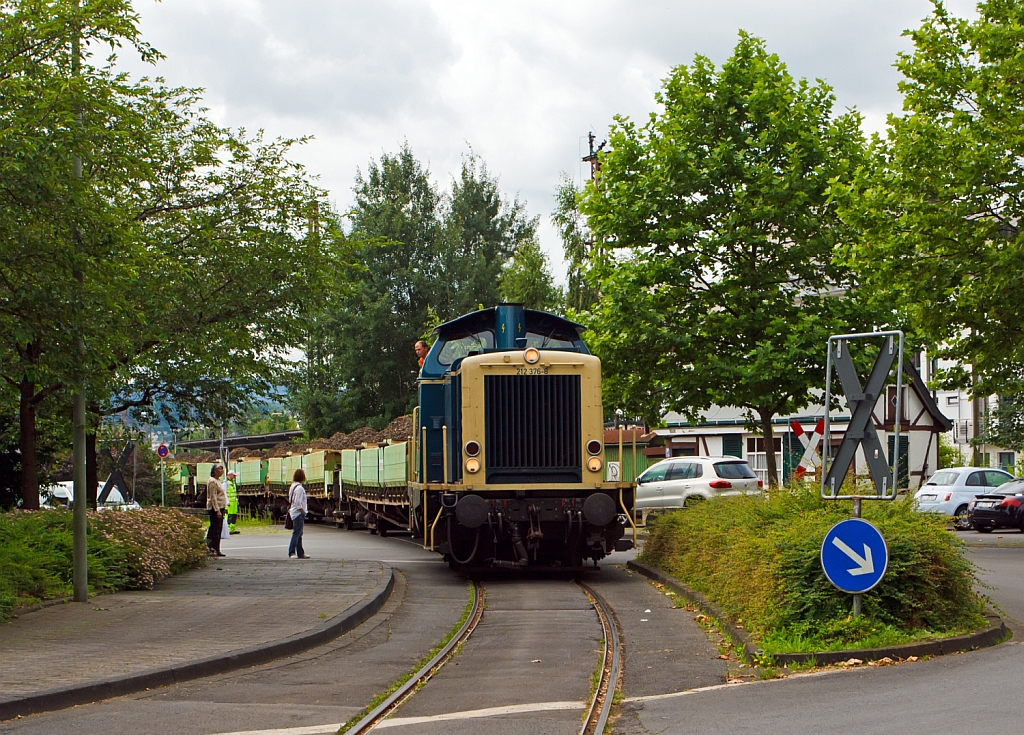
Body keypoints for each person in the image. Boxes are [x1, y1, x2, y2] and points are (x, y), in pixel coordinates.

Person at [206, 464, 228, 557]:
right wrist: (217, 510)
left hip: (221, 506)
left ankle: (217, 548)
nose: (221, 471)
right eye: (219, 469)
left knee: (218, 529)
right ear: (214, 471)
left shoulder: (218, 481)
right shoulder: (212, 481)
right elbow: (213, 497)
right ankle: (211, 548)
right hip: (215, 508)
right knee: (214, 529)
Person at [288, 468, 310, 559]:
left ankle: (300, 553)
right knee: (297, 533)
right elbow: (298, 503)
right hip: (298, 513)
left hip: (293, 512)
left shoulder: (292, 486)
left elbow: (290, 500)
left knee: (299, 534)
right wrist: (303, 511)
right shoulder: (300, 488)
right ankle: (291, 552)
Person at [225, 470, 239, 535]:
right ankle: (227, 529)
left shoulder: (233, 483)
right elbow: (224, 493)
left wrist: (236, 499)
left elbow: (234, 493)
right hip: (229, 503)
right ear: (230, 475)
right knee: (229, 515)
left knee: (234, 515)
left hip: (233, 502)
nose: (235, 477)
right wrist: (227, 501)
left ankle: (232, 529)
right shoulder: (226, 484)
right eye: (234, 475)